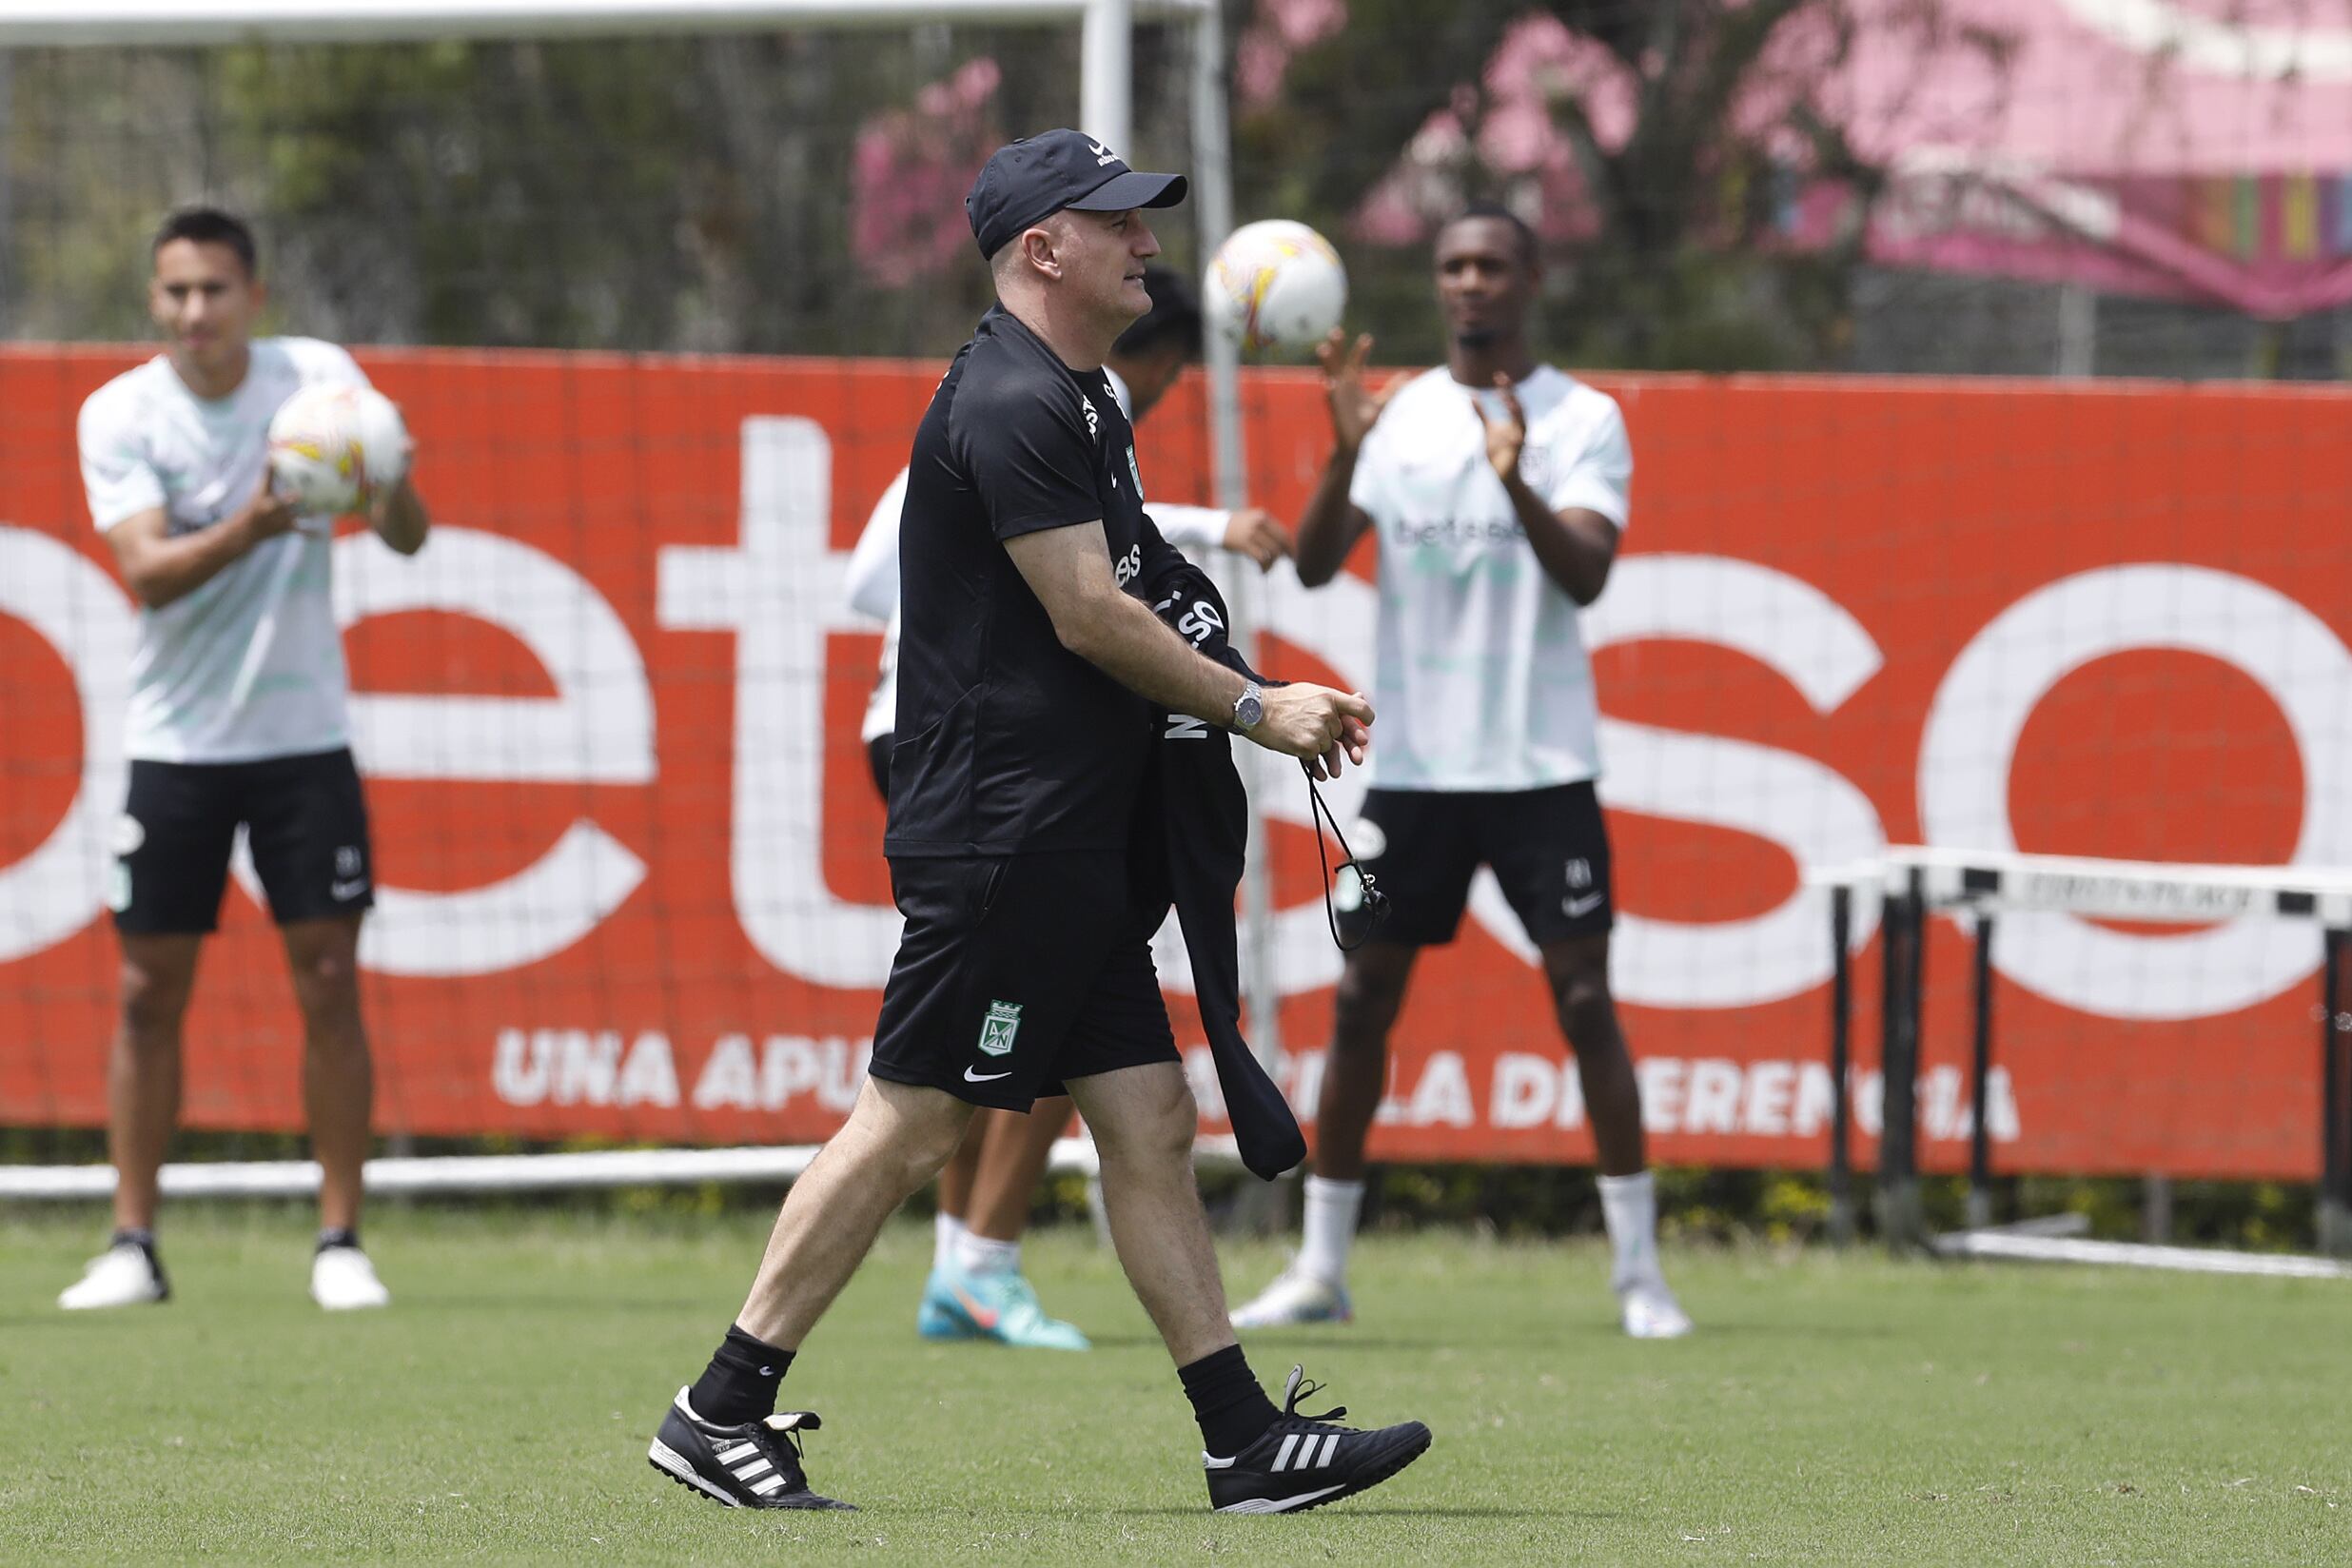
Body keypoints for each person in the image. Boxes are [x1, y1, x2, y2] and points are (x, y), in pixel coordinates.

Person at [650, 128, 1427, 1515]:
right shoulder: (1012, 399)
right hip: (1003, 840)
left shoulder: (1080, 398)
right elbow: (1087, 613)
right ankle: (719, 1408)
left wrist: (1242, 676)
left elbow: (1137, 586)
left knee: (1149, 1116)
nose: (1149, 245)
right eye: (1119, 222)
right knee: (912, 1122)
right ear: (1042, 249)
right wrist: (1258, 710)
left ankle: (1242, 1442)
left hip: (1062, 838)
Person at [1230, 203, 1693, 1341]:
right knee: (1361, 1002)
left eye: (1491, 264)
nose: (1470, 282)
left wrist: (1516, 478)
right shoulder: (1401, 414)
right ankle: (1322, 1269)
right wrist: (1348, 447)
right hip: (1415, 769)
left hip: (1542, 767)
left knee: (1584, 1000)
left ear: (1532, 279)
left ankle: (1640, 1276)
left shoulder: (1584, 418)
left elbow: (1586, 574)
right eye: (1453, 266)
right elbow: (1319, 563)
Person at [841, 264, 1293, 1353]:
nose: (1139, 245)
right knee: (954, 1086)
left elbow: (871, 580)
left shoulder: (1012, 393)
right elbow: (1078, 575)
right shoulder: (1048, 394)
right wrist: (1221, 562)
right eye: (1119, 227)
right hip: (985, 756)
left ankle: (969, 1270)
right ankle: (952, 1275)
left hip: (948, 738)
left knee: (1097, 1070)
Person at [61, 206, 430, 1313]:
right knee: (145, 991)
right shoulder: (119, 412)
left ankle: (340, 1242)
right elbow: (148, 574)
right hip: (174, 742)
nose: (194, 312)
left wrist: (389, 473)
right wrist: (262, 522)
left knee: (329, 981)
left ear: (253, 297)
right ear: (153, 299)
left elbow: (408, 535)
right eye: (175, 291)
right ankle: (133, 1244)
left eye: (214, 290)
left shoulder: (318, 380)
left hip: (303, 739)